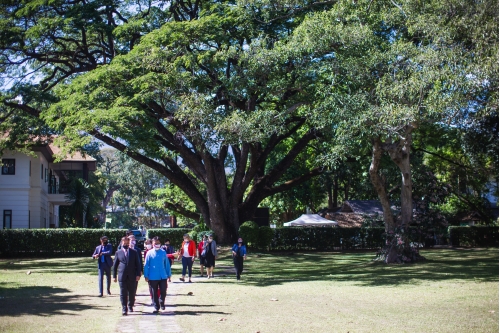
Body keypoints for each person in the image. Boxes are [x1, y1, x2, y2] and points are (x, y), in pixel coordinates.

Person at [113, 237, 142, 315]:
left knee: (132, 292)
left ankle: (130, 306)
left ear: (129, 243)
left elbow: (138, 264)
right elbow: (115, 266)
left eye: (127, 243)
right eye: (124, 243)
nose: (125, 245)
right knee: (123, 292)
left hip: (132, 275)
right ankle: (124, 308)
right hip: (122, 276)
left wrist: (138, 274)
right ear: (121, 243)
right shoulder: (118, 253)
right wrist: (114, 276)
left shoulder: (134, 252)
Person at [144, 238, 171, 313]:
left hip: (162, 275)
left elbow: (167, 264)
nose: (157, 244)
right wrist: (146, 275)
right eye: (155, 243)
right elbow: (146, 265)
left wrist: (169, 274)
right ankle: (156, 307)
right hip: (153, 276)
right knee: (154, 292)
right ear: (152, 244)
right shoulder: (149, 253)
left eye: (158, 243)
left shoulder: (163, 252)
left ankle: (162, 301)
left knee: (163, 290)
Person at [128, 234, 143, 308]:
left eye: (134, 240)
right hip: (127, 271)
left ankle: (132, 297)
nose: (133, 241)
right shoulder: (124, 249)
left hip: (135, 271)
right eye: (131, 240)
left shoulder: (138, 250)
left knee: (134, 285)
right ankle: (129, 298)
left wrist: (140, 270)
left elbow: (140, 261)